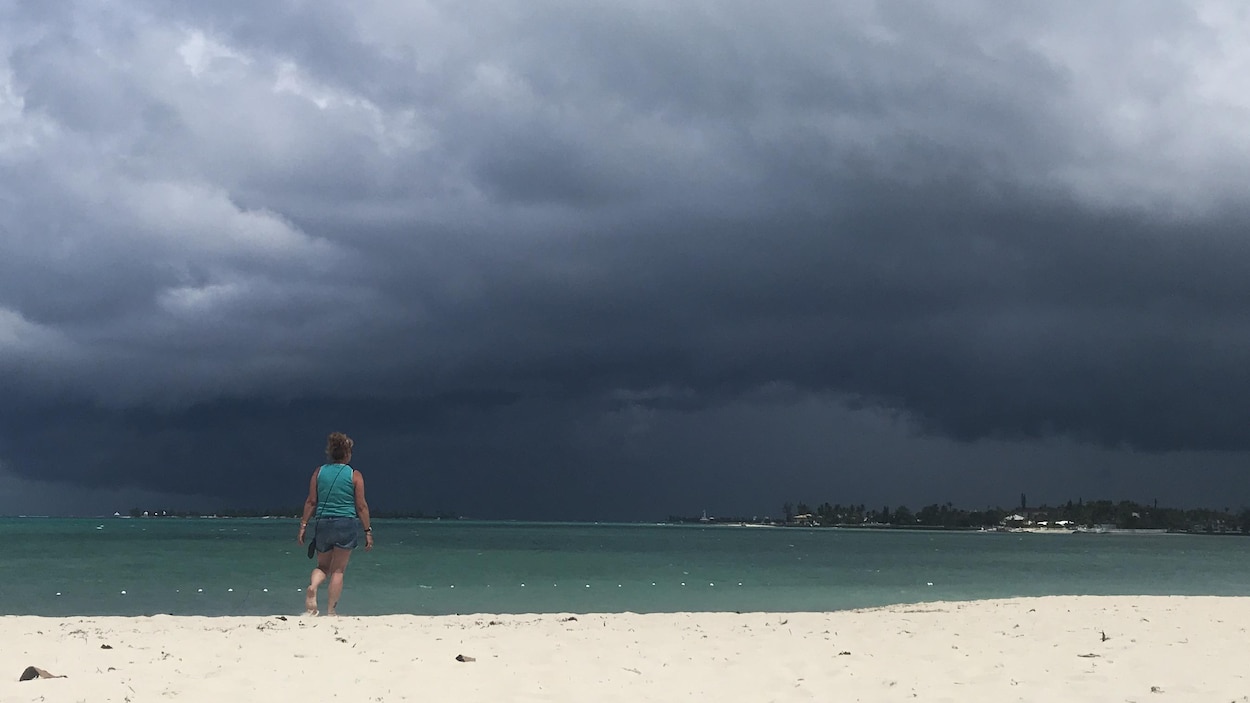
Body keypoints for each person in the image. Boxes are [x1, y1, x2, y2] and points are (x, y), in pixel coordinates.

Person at [297, 431, 373, 616]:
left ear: (330, 453)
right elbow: (361, 506)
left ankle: (313, 586)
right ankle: (331, 611)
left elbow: (311, 501)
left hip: (323, 523)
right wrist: (367, 531)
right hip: (345, 523)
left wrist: (303, 525)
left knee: (322, 566)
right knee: (338, 571)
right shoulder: (355, 475)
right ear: (347, 454)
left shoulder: (319, 472)